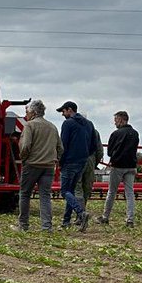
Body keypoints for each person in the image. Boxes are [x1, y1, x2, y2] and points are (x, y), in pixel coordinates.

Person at [16, 99, 62, 232]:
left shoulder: (30, 126)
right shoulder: (52, 126)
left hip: (32, 164)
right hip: (48, 166)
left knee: (25, 194)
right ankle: (46, 226)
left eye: (27, 111)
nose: (26, 114)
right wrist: (55, 159)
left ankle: (23, 225)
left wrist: (24, 159)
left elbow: (25, 146)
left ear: (33, 112)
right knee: (45, 195)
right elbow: (60, 147)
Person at [56, 101, 94, 232]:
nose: (63, 114)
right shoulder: (89, 124)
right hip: (83, 161)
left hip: (69, 161)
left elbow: (63, 145)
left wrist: (60, 162)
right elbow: (93, 145)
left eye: (64, 111)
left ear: (70, 110)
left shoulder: (68, 124)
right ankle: (66, 221)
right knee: (70, 191)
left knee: (65, 191)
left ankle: (81, 213)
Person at [99, 110, 140, 228]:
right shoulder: (135, 133)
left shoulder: (116, 134)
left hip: (118, 165)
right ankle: (130, 219)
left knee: (112, 191)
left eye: (116, 120)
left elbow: (110, 152)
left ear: (121, 120)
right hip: (131, 165)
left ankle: (105, 216)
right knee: (130, 192)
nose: (115, 122)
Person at [81, 124, 104, 208]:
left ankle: (78, 210)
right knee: (87, 186)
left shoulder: (72, 129)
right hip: (90, 160)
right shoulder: (95, 132)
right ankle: (83, 207)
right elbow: (100, 151)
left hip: (76, 161)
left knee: (77, 186)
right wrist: (95, 163)